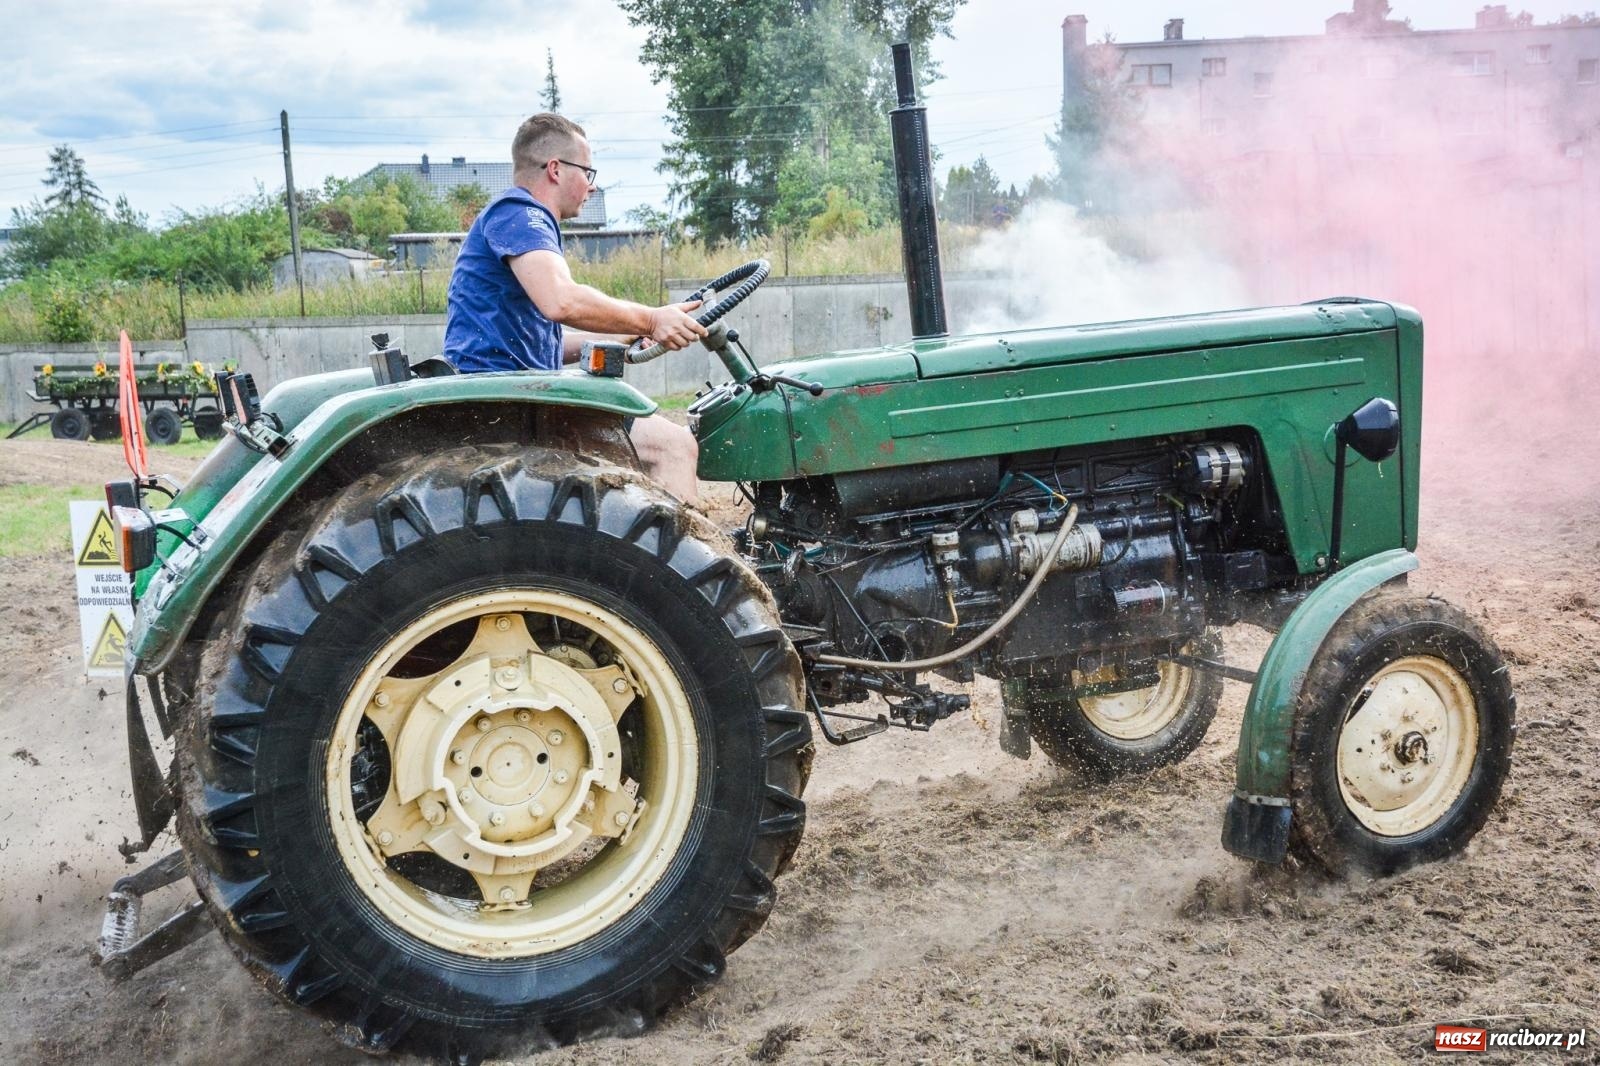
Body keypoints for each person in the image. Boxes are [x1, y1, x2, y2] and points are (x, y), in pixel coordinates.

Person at [443, 112, 706, 503]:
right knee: (674, 447)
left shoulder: (516, 221)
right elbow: (561, 300)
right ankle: (686, 562)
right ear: (555, 169)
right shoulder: (520, 213)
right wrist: (650, 318)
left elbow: (537, 338)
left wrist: (624, 331)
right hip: (511, 403)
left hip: (513, 392)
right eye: (588, 172)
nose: (592, 187)